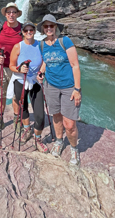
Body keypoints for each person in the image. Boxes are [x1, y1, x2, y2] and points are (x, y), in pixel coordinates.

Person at [37, 14, 82, 167]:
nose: (49, 28)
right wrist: (41, 72)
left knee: (69, 123)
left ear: (56, 27)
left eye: (51, 25)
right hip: (51, 86)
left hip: (69, 87)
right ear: (43, 29)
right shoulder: (42, 44)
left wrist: (77, 89)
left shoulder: (65, 41)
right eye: (46, 26)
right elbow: (46, 61)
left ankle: (74, 148)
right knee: (56, 116)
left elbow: (75, 65)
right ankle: (58, 141)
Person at [8, 21, 49, 153]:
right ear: (23, 33)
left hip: (35, 82)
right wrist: (20, 69)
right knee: (23, 107)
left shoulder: (40, 45)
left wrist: (41, 72)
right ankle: (27, 129)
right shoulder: (17, 46)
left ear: (34, 31)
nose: (29, 32)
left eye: (31, 30)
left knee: (40, 115)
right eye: (26, 31)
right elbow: (11, 65)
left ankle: (37, 139)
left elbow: (44, 62)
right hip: (20, 80)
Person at [0, 2, 22, 136]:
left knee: (16, 96)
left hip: (16, 68)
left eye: (14, 12)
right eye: (9, 12)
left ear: (17, 14)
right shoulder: (0, 27)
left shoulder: (23, 29)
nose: (11, 15)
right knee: (1, 94)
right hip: (1, 66)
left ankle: (17, 121)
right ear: (5, 14)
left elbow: (28, 47)